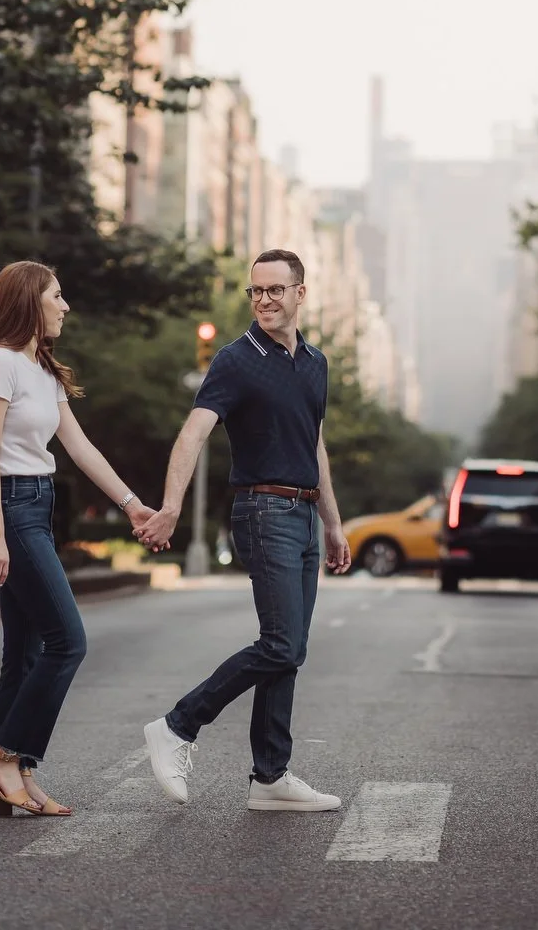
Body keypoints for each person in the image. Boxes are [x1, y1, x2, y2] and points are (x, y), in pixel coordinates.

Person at [139, 249, 352, 812]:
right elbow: (193, 434)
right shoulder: (236, 360)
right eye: (256, 290)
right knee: (280, 643)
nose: (264, 300)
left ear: (300, 293)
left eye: (275, 289)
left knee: (290, 650)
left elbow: (314, 445)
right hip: (263, 512)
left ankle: (269, 777)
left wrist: (332, 523)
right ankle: (177, 725)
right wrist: (171, 507)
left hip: (304, 515)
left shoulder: (316, 363)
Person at [0, 260, 156, 817]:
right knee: (68, 642)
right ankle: (4, 757)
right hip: (12, 511)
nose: (65, 306)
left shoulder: (42, 371)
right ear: (30, 301)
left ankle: (17, 775)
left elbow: (80, 447)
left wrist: (132, 505)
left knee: (23, 654)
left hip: (37, 508)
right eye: (56, 296)